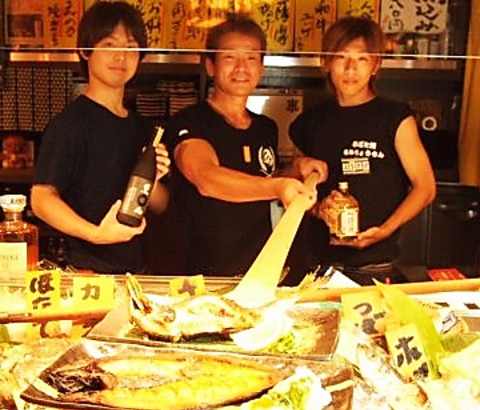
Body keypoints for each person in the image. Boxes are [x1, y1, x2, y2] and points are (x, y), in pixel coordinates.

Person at [164, 13, 327, 282]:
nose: (241, 67)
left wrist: (295, 171)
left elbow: (259, 181)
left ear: (262, 67)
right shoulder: (190, 122)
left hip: (261, 272)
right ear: (210, 66)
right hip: (203, 278)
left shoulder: (266, 128)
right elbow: (207, 178)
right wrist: (277, 186)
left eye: (251, 58)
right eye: (229, 57)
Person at [289, 16, 436, 285]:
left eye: (362, 59)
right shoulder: (312, 120)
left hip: (375, 266)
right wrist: (316, 207)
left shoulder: (395, 118)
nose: (350, 69)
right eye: (341, 57)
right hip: (318, 264)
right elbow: (292, 184)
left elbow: (425, 187)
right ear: (326, 62)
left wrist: (385, 230)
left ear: (375, 66)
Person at [31, 1, 170, 274]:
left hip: (136, 273)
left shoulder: (142, 127)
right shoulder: (70, 124)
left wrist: (154, 181)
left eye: (131, 47)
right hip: (88, 274)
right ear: (85, 51)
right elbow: (41, 198)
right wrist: (95, 234)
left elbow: (161, 204)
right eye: (109, 45)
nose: (121, 56)